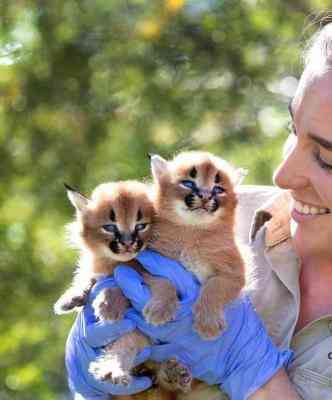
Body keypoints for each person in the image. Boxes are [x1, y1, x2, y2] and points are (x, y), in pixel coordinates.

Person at [65, 22, 332, 400]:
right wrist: (88, 370)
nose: (282, 175)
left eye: (326, 159)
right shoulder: (228, 214)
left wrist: (253, 372)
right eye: (292, 127)